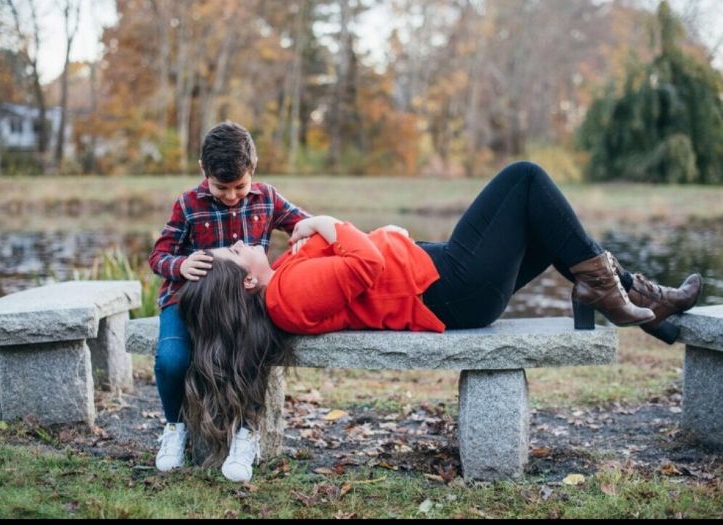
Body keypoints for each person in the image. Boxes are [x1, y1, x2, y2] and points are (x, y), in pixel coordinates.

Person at [177, 160, 703, 482]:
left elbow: (362, 269)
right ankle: (621, 295)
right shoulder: (285, 294)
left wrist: (383, 233)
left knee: (547, 228)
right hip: (451, 288)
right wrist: (327, 223)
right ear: (246, 281)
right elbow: (368, 264)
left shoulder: (283, 278)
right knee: (524, 178)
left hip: (440, 278)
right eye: (236, 254)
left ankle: (646, 307)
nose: (240, 244)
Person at [148, 122, 310, 476]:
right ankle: (175, 427)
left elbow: (304, 223)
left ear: (253, 171)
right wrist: (182, 263)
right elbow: (158, 257)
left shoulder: (267, 197)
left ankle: (246, 434)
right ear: (204, 172)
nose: (233, 195)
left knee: (256, 353)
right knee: (171, 360)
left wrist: (306, 235)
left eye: (240, 186)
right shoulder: (188, 205)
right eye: (222, 187)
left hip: (246, 301)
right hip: (190, 302)